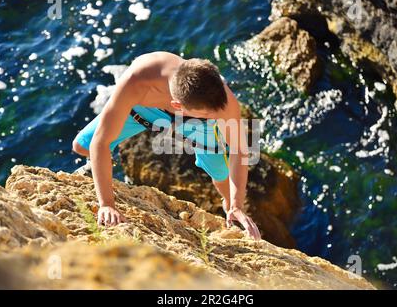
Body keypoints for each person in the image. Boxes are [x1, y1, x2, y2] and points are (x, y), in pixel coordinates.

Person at [72, 51, 261, 240]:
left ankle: (230, 207)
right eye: (209, 115)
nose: (218, 118)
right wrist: (106, 204)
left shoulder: (222, 102)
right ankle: (102, 169)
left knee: (221, 173)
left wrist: (236, 203)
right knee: (82, 146)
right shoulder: (136, 83)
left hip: (197, 123)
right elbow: (101, 142)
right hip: (144, 110)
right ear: (178, 106)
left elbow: (239, 149)